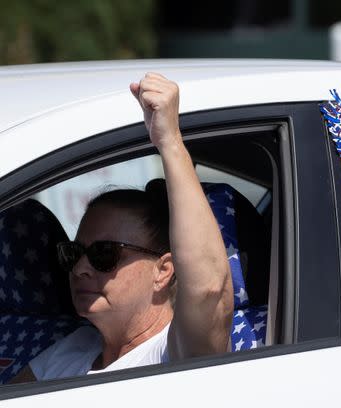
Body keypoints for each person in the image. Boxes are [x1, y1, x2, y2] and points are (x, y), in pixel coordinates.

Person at [12, 73, 233, 382]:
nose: (79, 269)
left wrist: (169, 142)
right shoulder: (73, 348)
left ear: (164, 270)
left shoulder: (174, 354)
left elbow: (209, 290)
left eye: (104, 254)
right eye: (73, 253)